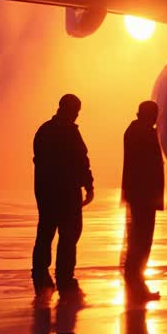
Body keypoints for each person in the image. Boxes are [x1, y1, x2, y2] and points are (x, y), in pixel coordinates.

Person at [32, 94, 94, 294]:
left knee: (45, 233)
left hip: (46, 193)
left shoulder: (44, 131)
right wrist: (88, 185)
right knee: (68, 235)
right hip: (66, 193)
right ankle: (64, 277)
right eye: (76, 111)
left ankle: (41, 275)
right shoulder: (70, 132)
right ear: (70, 109)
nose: (77, 115)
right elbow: (81, 161)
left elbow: (39, 162)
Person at [121, 100, 165, 298]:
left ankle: (135, 283)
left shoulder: (135, 131)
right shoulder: (143, 133)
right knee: (141, 240)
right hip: (144, 196)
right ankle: (136, 285)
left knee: (138, 240)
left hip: (140, 195)